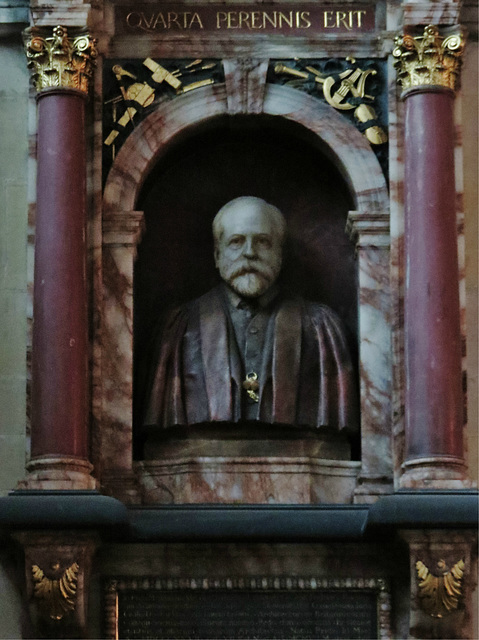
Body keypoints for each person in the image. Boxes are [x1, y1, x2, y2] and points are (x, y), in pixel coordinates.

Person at [142, 196, 357, 432]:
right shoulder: (179, 332)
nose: (249, 253)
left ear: (280, 255)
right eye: (236, 241)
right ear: (217, 255)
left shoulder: (322, 330)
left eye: (263, 241)